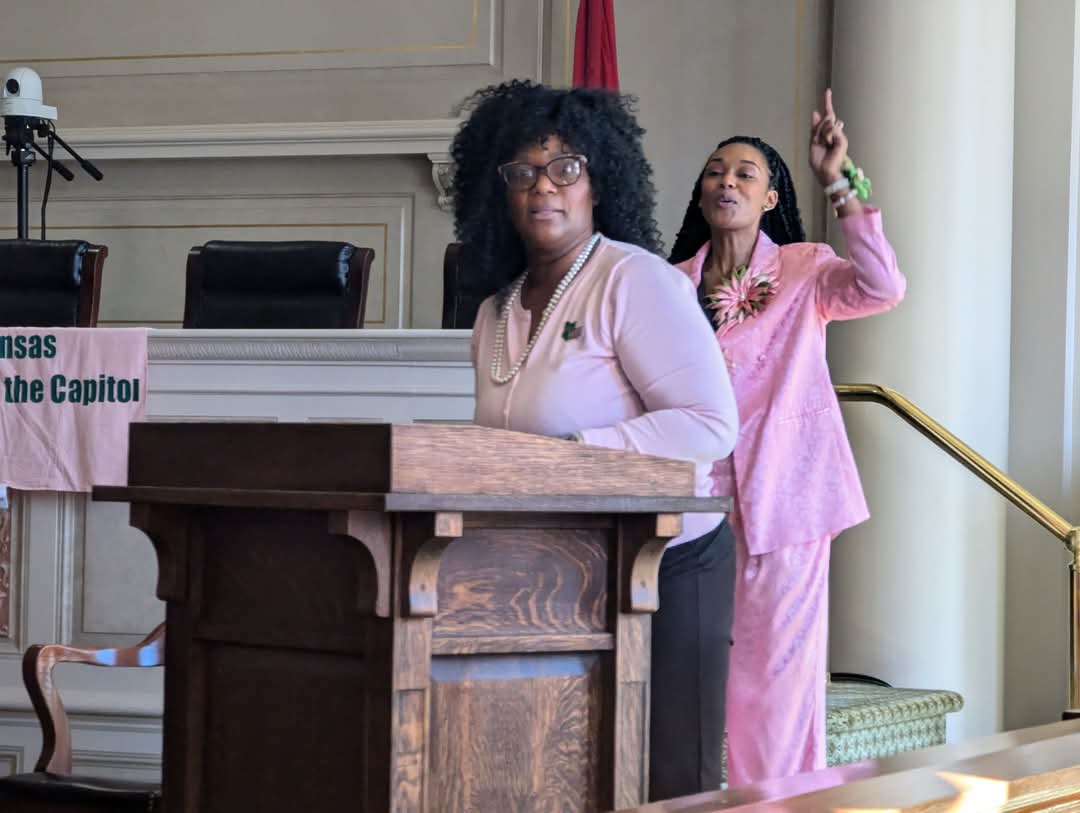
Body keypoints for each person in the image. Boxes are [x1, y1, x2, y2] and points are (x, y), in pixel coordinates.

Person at [451, 79, 739, 800]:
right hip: (554, 576)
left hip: (666, 566)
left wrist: (577, 449)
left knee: (670, 779)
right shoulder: (494, 311)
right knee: (574, 772)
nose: (543, 187)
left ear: (598, 178)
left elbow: (711, 423)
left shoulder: (634, 281)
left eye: (565, 168)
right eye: (521, 172)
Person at [667, 89, 906, 785]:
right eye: (715, 170)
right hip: (696, 507)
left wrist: (839, 180)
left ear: (771, 197)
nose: (727, 180)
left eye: (745, 172)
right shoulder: (671, 286)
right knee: (698, 667)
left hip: (790, 501)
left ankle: (776, 802)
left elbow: (883, 285)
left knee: (775, 677)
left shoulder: (804, 268)